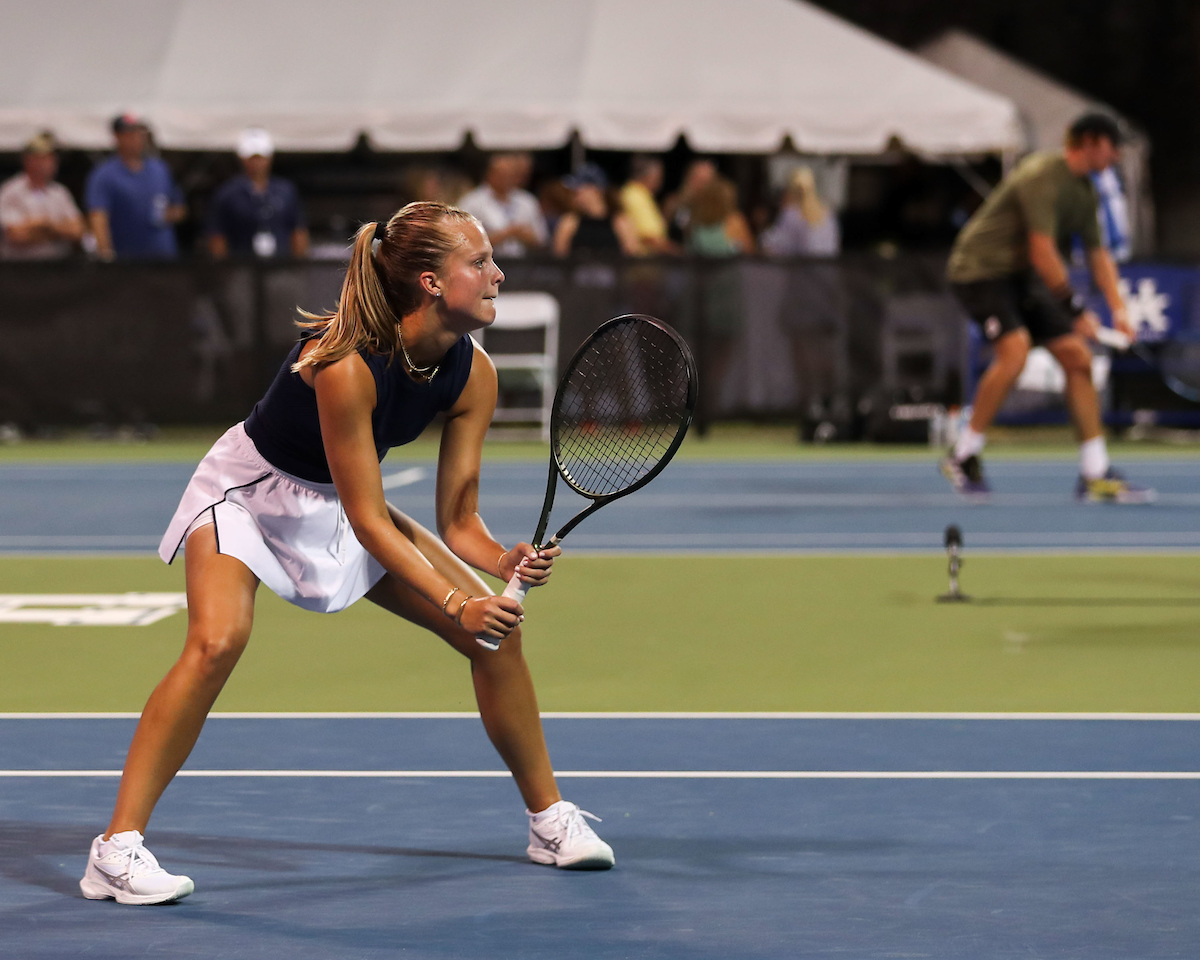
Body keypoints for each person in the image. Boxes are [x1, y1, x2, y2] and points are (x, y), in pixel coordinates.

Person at [79, 201, 614, 907]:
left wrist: (498, 563)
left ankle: (549, 822)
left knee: (495, 640)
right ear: (429, 282)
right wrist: (459, 599)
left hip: (339, 500)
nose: (498, 273)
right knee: (217, 642)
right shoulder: (344, 364)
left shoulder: (472, 375)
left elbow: (457, 520)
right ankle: (114, 852)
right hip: (250, 494)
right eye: (479, 263)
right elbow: (369, 522)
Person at [941, 113, 1151, 502]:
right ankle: (963, 455)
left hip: (1019, 276)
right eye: (1112, 145)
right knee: (1015, 349)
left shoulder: (1085, 191)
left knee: (1077, 357)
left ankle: (1094, 472)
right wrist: (1075, 310)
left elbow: (1098, 254)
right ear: (1089, 142)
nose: (1118, 154)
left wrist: (1119, 310)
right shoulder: (1041, 174)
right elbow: (1042, 250)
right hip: (978, 270)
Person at [761, 167, 846, 430]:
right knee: (822, 349)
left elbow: (773, 246)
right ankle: (827, 401)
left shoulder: (792, 215)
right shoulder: (827, 215)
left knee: (803, 351)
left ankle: (811, 404)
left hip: (805, 291)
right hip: (826, 288)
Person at [86, 114, 185, 260]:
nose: (136, 139)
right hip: (128, 262)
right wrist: (106, 257)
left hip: (164, 259)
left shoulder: (159, 169)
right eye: (129, 134)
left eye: (139, 133)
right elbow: (98, 218)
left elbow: (179, 208)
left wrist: (168, 214)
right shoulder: (104, 175)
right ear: (117, 137)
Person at [207, 128, 308, 259]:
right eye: (252, 158)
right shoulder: (227, 193)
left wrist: (298, 264)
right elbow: (217, 235)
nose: (257, 163)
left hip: (280, 264)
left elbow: (298, 229)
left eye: (260, 157)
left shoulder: (286, 190)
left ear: (269, 158)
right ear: (242, 158)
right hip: (241, 265)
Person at [0, 131, 85, 260]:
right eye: (44, 158)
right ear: (28, 160)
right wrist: (59, 229)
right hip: (19, 269)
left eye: (52, 158)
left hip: (57, 268)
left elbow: (77, 231)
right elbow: (16, 235)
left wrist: (43, 226)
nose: (50, 163)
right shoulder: (11, 191)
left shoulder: (60, 192)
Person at [458, 153, 547, 257]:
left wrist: (526, 236)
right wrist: (505, 234)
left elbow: (542, 240)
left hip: (523, 264)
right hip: (487, 262)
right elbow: (463, 241)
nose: (507, 179)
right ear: (490, 173)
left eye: (511, 175)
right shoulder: (472, 201)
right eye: (503, 174)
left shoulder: (527, 201)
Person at [551, 163, 640, 257]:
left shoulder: (620, 222)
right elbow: (559, 257)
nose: (574, 193)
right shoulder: (570, 221)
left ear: (595, 189)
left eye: (578, 188)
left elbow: (632, 256)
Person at [619, 155, 677, 255]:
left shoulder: (643, 194)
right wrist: (678, 252)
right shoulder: (635, 195)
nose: (661, 180)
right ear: (650, 175)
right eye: (659, 175)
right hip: (641, 265)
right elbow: (649, 237)